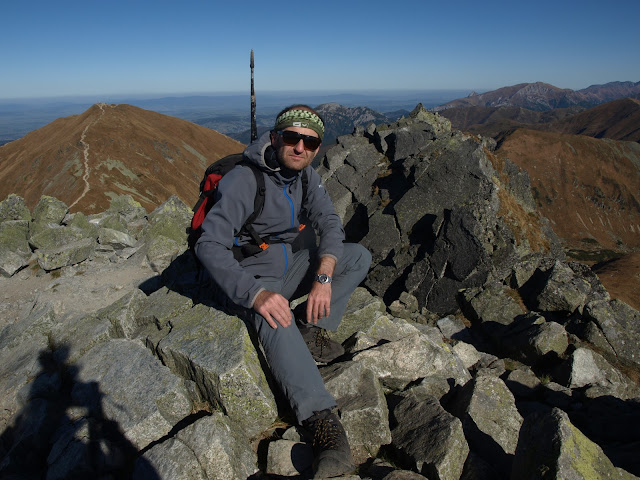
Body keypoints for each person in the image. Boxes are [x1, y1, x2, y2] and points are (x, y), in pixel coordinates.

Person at [195, 105, 371, 478]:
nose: (299, 147)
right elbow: (209, 245)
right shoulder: (245, 180)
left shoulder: (306, 176)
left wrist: (323, 275)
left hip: (290, 261)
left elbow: (329, 222)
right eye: (292, 137)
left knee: (356, 257)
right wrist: (256, 295)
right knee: (275, 316)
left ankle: (311, 331)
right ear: (275, 138)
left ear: (317, 148)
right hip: (253, 271)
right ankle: (321, 422)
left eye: (309, 141)